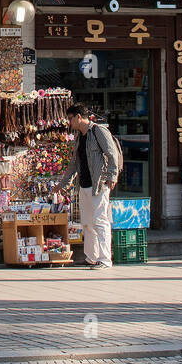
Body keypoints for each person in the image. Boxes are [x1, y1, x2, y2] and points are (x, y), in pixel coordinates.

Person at [55, 104, 122, 269]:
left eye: (70, 118)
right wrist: (62, 184)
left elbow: (111, 153)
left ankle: (105, 259)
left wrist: (112, 176)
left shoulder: (98, 131)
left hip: (98, 183)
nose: (69, 122)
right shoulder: (80, 136)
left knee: (100, 220)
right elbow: (74, 163)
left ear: (79, 117)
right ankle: (91, 257)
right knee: (87, 222)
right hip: (84, 184)